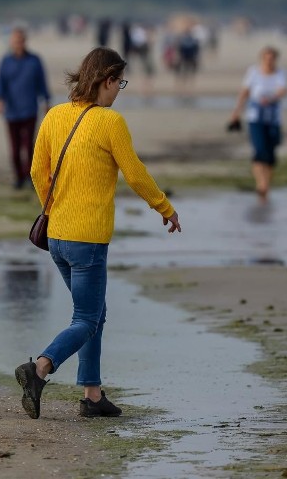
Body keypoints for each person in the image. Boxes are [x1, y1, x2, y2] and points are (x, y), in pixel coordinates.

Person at [15, 47, 181, 419]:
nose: (119, 90)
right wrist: (164, 208)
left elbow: (36, 172)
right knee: (87, 319)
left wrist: (53, 206)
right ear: (106, 80)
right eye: (119, 82)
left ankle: (92, 396)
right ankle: (40, 368)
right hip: (87, 239)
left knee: (93, 312)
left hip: (56, 235)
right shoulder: (110, 123)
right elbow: (135, 174)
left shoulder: (55, 115)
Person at [0, 27, 51, 189]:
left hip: (29, 109)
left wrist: (46, 101)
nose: (17, 44)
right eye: (15, 41)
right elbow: (0, 83)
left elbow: (42, 83)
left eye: (20, 40)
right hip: (12, 111)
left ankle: (30, 176)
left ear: (24, 41)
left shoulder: (34, 60)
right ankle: (18, 177)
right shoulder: (6, 61)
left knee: (29, 146)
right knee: (15, 148)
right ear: (11, 43)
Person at [228, 46, 287, 203]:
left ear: (275, 59)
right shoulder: (253, 72)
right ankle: (260, 183)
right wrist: (236, 112)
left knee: (270, 153)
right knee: (259, 150)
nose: (269, 60)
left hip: (273, 119)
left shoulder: (280, 73)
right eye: (266, 57)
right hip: (255, 118)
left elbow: (282, 90)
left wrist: (271, 98)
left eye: (272, 58)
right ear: (262, 58)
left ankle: (266, 184)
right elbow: (244, 92)